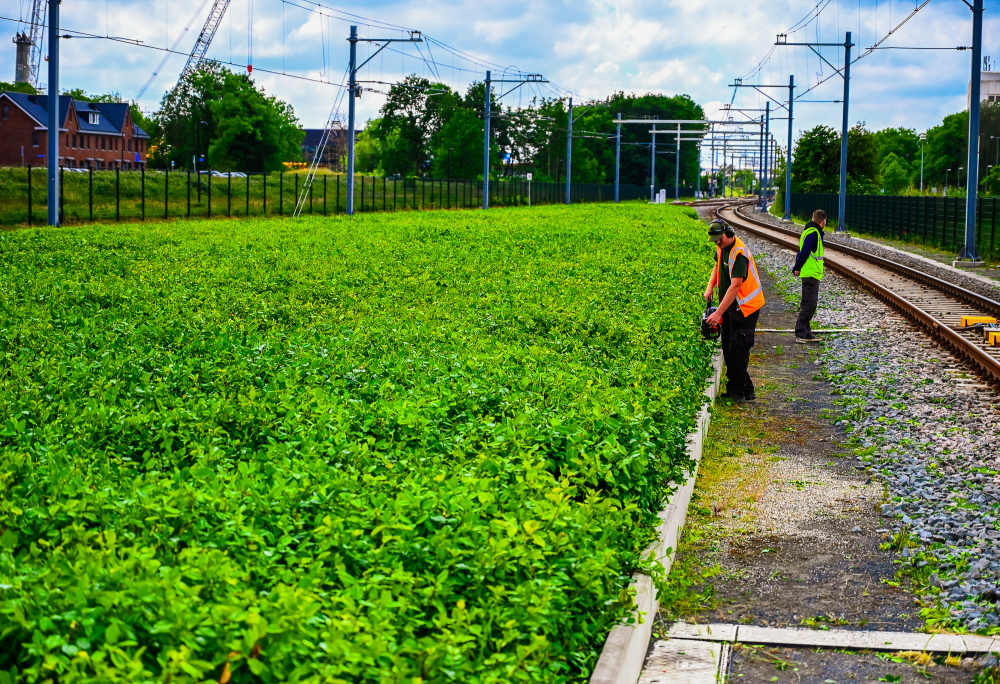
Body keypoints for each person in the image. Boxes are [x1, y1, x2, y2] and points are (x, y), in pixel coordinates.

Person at [704, 219, 766, 401]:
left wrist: (718, 313)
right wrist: (710, 287)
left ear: (729, 234)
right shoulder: (721, 247)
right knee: (728, 347)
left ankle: (736, 393)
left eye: (719, 239)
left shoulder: (739, 253)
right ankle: (747, 389)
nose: (717, 243)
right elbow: (717, 266)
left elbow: (735, 286)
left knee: (738, 350)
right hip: (731, 305)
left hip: (746, 307)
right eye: (715, 240)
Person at [792, 210, 826, 344]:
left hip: (811, 273)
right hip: (810, 273)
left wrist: (797, 266)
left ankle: (806, 331)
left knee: (809, 303)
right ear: (823, 221)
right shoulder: (813, 233)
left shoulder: (809, 231)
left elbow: (801, 251)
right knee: (809, 304)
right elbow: (805, 251)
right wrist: (797, 267)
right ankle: (800, 332)